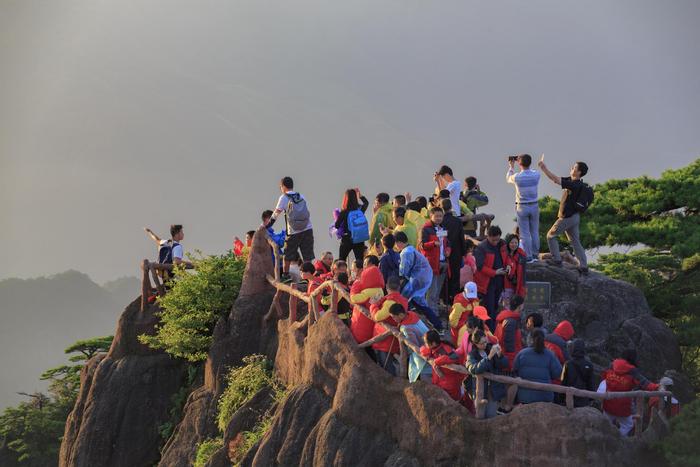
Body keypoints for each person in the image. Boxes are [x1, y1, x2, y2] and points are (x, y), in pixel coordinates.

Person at [538, 156, 590, 275]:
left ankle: (556, 260)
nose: (571, 168)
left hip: (567, 217)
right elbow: (557, 179)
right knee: (575, 241)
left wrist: (544, 168)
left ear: (579, 172)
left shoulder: (575, 185)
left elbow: (555, 179)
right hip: (574, 217)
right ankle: (583, 266)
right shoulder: (573, 182)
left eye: (574, 167)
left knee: (551, 235)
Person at [600, 349, 659, 436]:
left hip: (608, 403)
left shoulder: (612, 365)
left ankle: (605, 441)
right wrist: (657, 386)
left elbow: (604, 377)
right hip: (623, 406)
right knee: (628, 424)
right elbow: (645, 384)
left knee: (606, 425)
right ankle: (618, 440)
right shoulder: (632, 370)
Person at [265, 176, 314, 278]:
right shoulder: (301, 196)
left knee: (287, 254)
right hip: (307, 228)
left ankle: (286, 275)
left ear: (283, 186)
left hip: (294, 231)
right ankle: (309, 277)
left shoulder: (284, 197)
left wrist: (267, 225)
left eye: (280, 187)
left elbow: (275, 214)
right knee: (307, 255)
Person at [395, 231, 443, 331]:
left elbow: (403, 271)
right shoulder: (410, 248)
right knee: (417, 301)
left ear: (399, 242)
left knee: (404, 299)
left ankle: (405, 323)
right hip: (423, 276)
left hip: (419, 278)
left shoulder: (406, 252)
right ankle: (437, 325)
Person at [466, 329, 510, 418]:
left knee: (491, 415)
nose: (485, 345)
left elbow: (504, 365)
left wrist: (500, 355)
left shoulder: (490, 348)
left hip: (493, 388)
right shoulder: (471, 355)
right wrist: (489, 357)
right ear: (475, 344)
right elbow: (474, 369)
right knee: (480, 415)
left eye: (486, 342)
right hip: (480, 390)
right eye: (482, 343)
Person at [369, 277, 409, 375]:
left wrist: (373, 305)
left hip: (385, 340)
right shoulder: (403, 299)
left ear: (387, 287)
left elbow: (377, 317)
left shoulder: (389, 302)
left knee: (386, 366)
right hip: (391, 338)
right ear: (399, 288)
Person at [512, 329, 562, 404]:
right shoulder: (550, 355)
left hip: (525, 397)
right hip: (545, 397)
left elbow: (515, 370)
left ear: (530, 339)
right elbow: (557, 373)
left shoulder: (522, 353)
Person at [507, 154, 541, 262]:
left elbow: (508, 178)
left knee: (525, 233)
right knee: (535, 231)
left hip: (522, 206)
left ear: (519, 163)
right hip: (534, 205)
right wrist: (521, 160)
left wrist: (512, 166)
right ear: (530, 162)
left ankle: (528, 256)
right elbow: (534, 170)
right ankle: (536, 255)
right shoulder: (536, 174)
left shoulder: (517, 177)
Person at [474, 225, 508, 331]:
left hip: (500, 280)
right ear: (488, 236)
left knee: (495, 306)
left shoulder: (502, 244)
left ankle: (494, 330)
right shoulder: (481, 247)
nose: (495, 242)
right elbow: (479, 266)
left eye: (497, 239)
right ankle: (490, 331)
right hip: (488, 282)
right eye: (493, 240)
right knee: (489, 308)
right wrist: (494, 272)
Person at [420, 207, 450, 316]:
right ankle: (431, 315)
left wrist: (448, 250)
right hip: (431, 264)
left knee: (437, 292)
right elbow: (421, 245)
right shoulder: (426, 229)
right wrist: (433, 244)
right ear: (431, 216)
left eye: (440, 216)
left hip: (443, 262)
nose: (438, 218)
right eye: (436, 216)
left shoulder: (443, 228)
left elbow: (448, 243)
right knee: (432, 291)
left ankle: (434, 313)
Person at [420, 330, 466, 401]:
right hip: (440, 382)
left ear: (433, 343)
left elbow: (455, 357)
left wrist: (438, 360)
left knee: (453, 402)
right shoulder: (434, 348)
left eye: (426, 343)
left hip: (450, 384)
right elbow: (422, 349)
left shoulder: (446, 349)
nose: (425, 345)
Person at [349, 260, 386, 347]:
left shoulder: (369, 291)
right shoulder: (380, 290)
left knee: (358, 346)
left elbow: (354, 298)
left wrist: (355, 286)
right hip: (370, 322)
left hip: (360, 323)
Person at [391, 303, 431, 382]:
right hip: (429, 344)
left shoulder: (406, 328)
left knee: (417, 374)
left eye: (393, 317)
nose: (393, 320)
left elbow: (412, 345)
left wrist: (405, 353)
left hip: (422, 352)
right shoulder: (412, 314)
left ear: (401, 315)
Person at [334, 188, 370, 263]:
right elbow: (366, 203)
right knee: (359, 261)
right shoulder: (360, 209)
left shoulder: (344, 212)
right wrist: (360, 195)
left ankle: (342, 274)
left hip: (347, 239)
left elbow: (337, 225)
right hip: (359, 239)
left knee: (341, 261)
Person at [440, 199, 466, 301]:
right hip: (456, 253)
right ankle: (454, 299)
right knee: (455, 276)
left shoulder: (441, 222)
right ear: (451, 207)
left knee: (444, 276)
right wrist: (463, 252)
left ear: (442, 208)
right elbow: (461, 238)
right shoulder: (457, 221)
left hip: (443, 254)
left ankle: (444, 298)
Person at [560, 339, 595, 407]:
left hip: (569, 398)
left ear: (573, 349)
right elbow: (591, 383)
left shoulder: (567, 364)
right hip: (584, 399)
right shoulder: (589, 365)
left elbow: (563, 381)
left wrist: (561, 398)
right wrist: (591, 398)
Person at [494, 295, 524, 370]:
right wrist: (512, 364)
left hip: (504, 356)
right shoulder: (511, 322)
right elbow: (509, 346)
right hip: (509, 361)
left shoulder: (506, 318)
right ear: (520, 306)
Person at [448, 282, 479, 347]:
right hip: (459, 332)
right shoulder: (459, 304)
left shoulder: (475, 300)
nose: (472, 298)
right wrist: (466, 326)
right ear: (464, 291)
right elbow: (453, 322)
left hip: (470, 329)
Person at [501, 233, 527, 308]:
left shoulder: (521, 256)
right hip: (506, 286)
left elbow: (523, 274)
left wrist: (523, 288)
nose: (514, 244)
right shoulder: (503, 253)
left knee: (517, 308)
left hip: (517, 285)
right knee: (507, 307)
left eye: (516, 242)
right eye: (512, 242)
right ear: (508, 243)